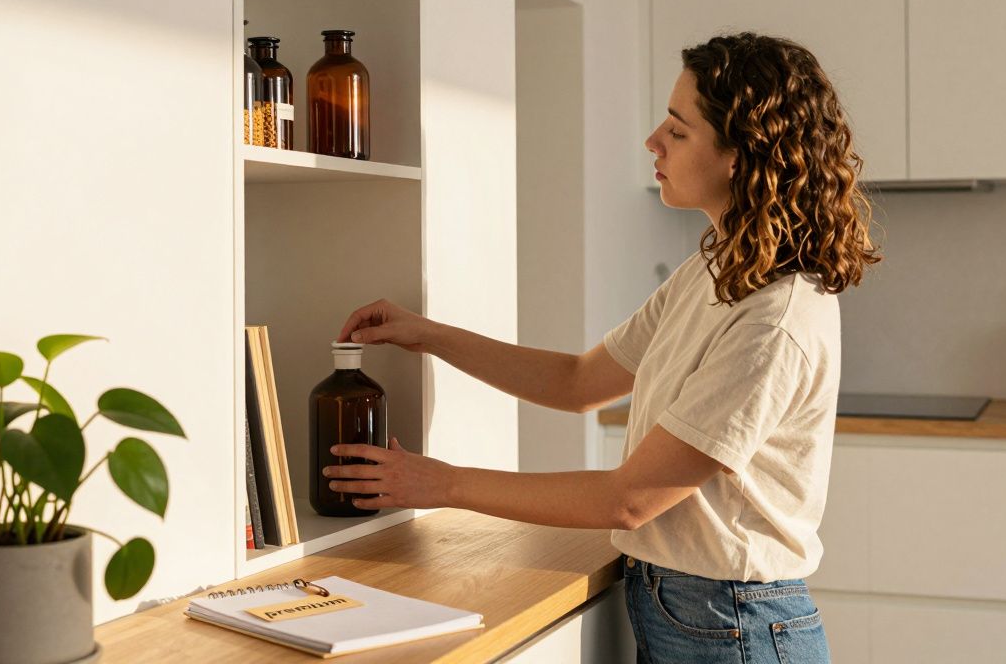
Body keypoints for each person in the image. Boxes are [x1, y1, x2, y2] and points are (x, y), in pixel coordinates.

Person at [326, 32, 880, 663]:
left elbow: (631, 498)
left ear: (740, 154)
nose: (652, 141)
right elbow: (578, 382)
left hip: (736, 626)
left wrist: (442, 483)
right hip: (690, 610)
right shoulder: (715, 268)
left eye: (677, 129)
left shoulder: (773, 318)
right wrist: (427, 334)